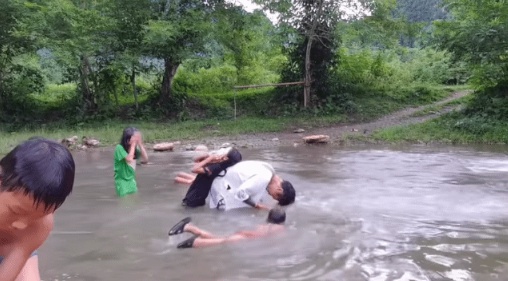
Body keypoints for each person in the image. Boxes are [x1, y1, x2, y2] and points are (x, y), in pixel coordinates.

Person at [0, 137, 75, 281]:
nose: (21, 225)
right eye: (15, 211)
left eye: (35, 217)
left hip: (10, 251)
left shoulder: (41, 225)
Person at [168, 208, 286, 249]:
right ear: (282, 220)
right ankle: (196, 242)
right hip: (245, 237)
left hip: (245, 235)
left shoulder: (263, 225)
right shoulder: (280, 229)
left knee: (220, 239)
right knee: (221, 241)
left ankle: (191, 228)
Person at [209, 160, 295, 211]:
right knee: (233, 213)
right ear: (279, 190)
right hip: (220, 188)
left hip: (224, 180)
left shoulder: (269, 172)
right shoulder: (264, 177)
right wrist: (257, 206)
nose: (271, 196)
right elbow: (240, 193)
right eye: (275, 196)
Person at [177, 147, 243, 207]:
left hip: (193, 200)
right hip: (197, 199)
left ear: (225, 158)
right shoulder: (219, 164)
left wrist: (210, 158)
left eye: (224, 150)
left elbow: (194, 169)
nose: (222, 149)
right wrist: (208, 156)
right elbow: (196, 160)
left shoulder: (217, 167)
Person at [114, 127, 149, 197]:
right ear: (127, 139)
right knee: (124, 202)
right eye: (135, 138)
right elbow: (129, 159)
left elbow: (145, 159)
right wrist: (133, 145)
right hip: (122, 182)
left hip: (131, 181)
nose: (136, 140)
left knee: (134, 200)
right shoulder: (119, 148)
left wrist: (140, 144)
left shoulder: (135, 150)